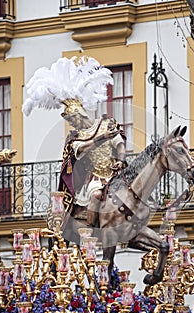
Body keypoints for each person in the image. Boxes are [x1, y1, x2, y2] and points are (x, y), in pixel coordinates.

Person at [22, 55, 127, 234]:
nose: (72, 123)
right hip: (94, 177)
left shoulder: (105, 124)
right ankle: (93, 231)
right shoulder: (76, 139)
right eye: (71, 120)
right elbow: (84, 149)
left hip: (115, 173)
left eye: (72, 119)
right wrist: (102, 138)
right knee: (96, 196)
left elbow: (119, 144)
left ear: (80, 114)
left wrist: (121, 160)